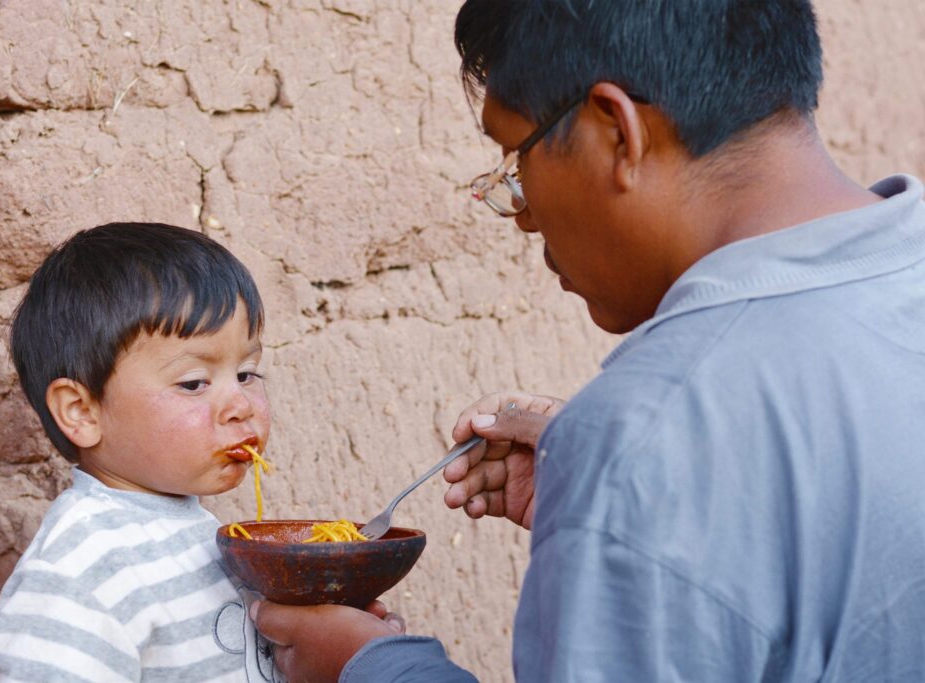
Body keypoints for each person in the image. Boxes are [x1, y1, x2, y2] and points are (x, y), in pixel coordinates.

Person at [249, 0, 925, 681]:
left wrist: (369, 665)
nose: (521, 215)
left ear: (616, 132)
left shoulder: (647, 438)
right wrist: (629, 519)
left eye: (517, 160)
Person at [0, 223, 287, 681]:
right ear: (82, 412)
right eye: (193, 383)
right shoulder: (82, 570)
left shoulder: (189, 530)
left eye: (246, 373)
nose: (240, 406)